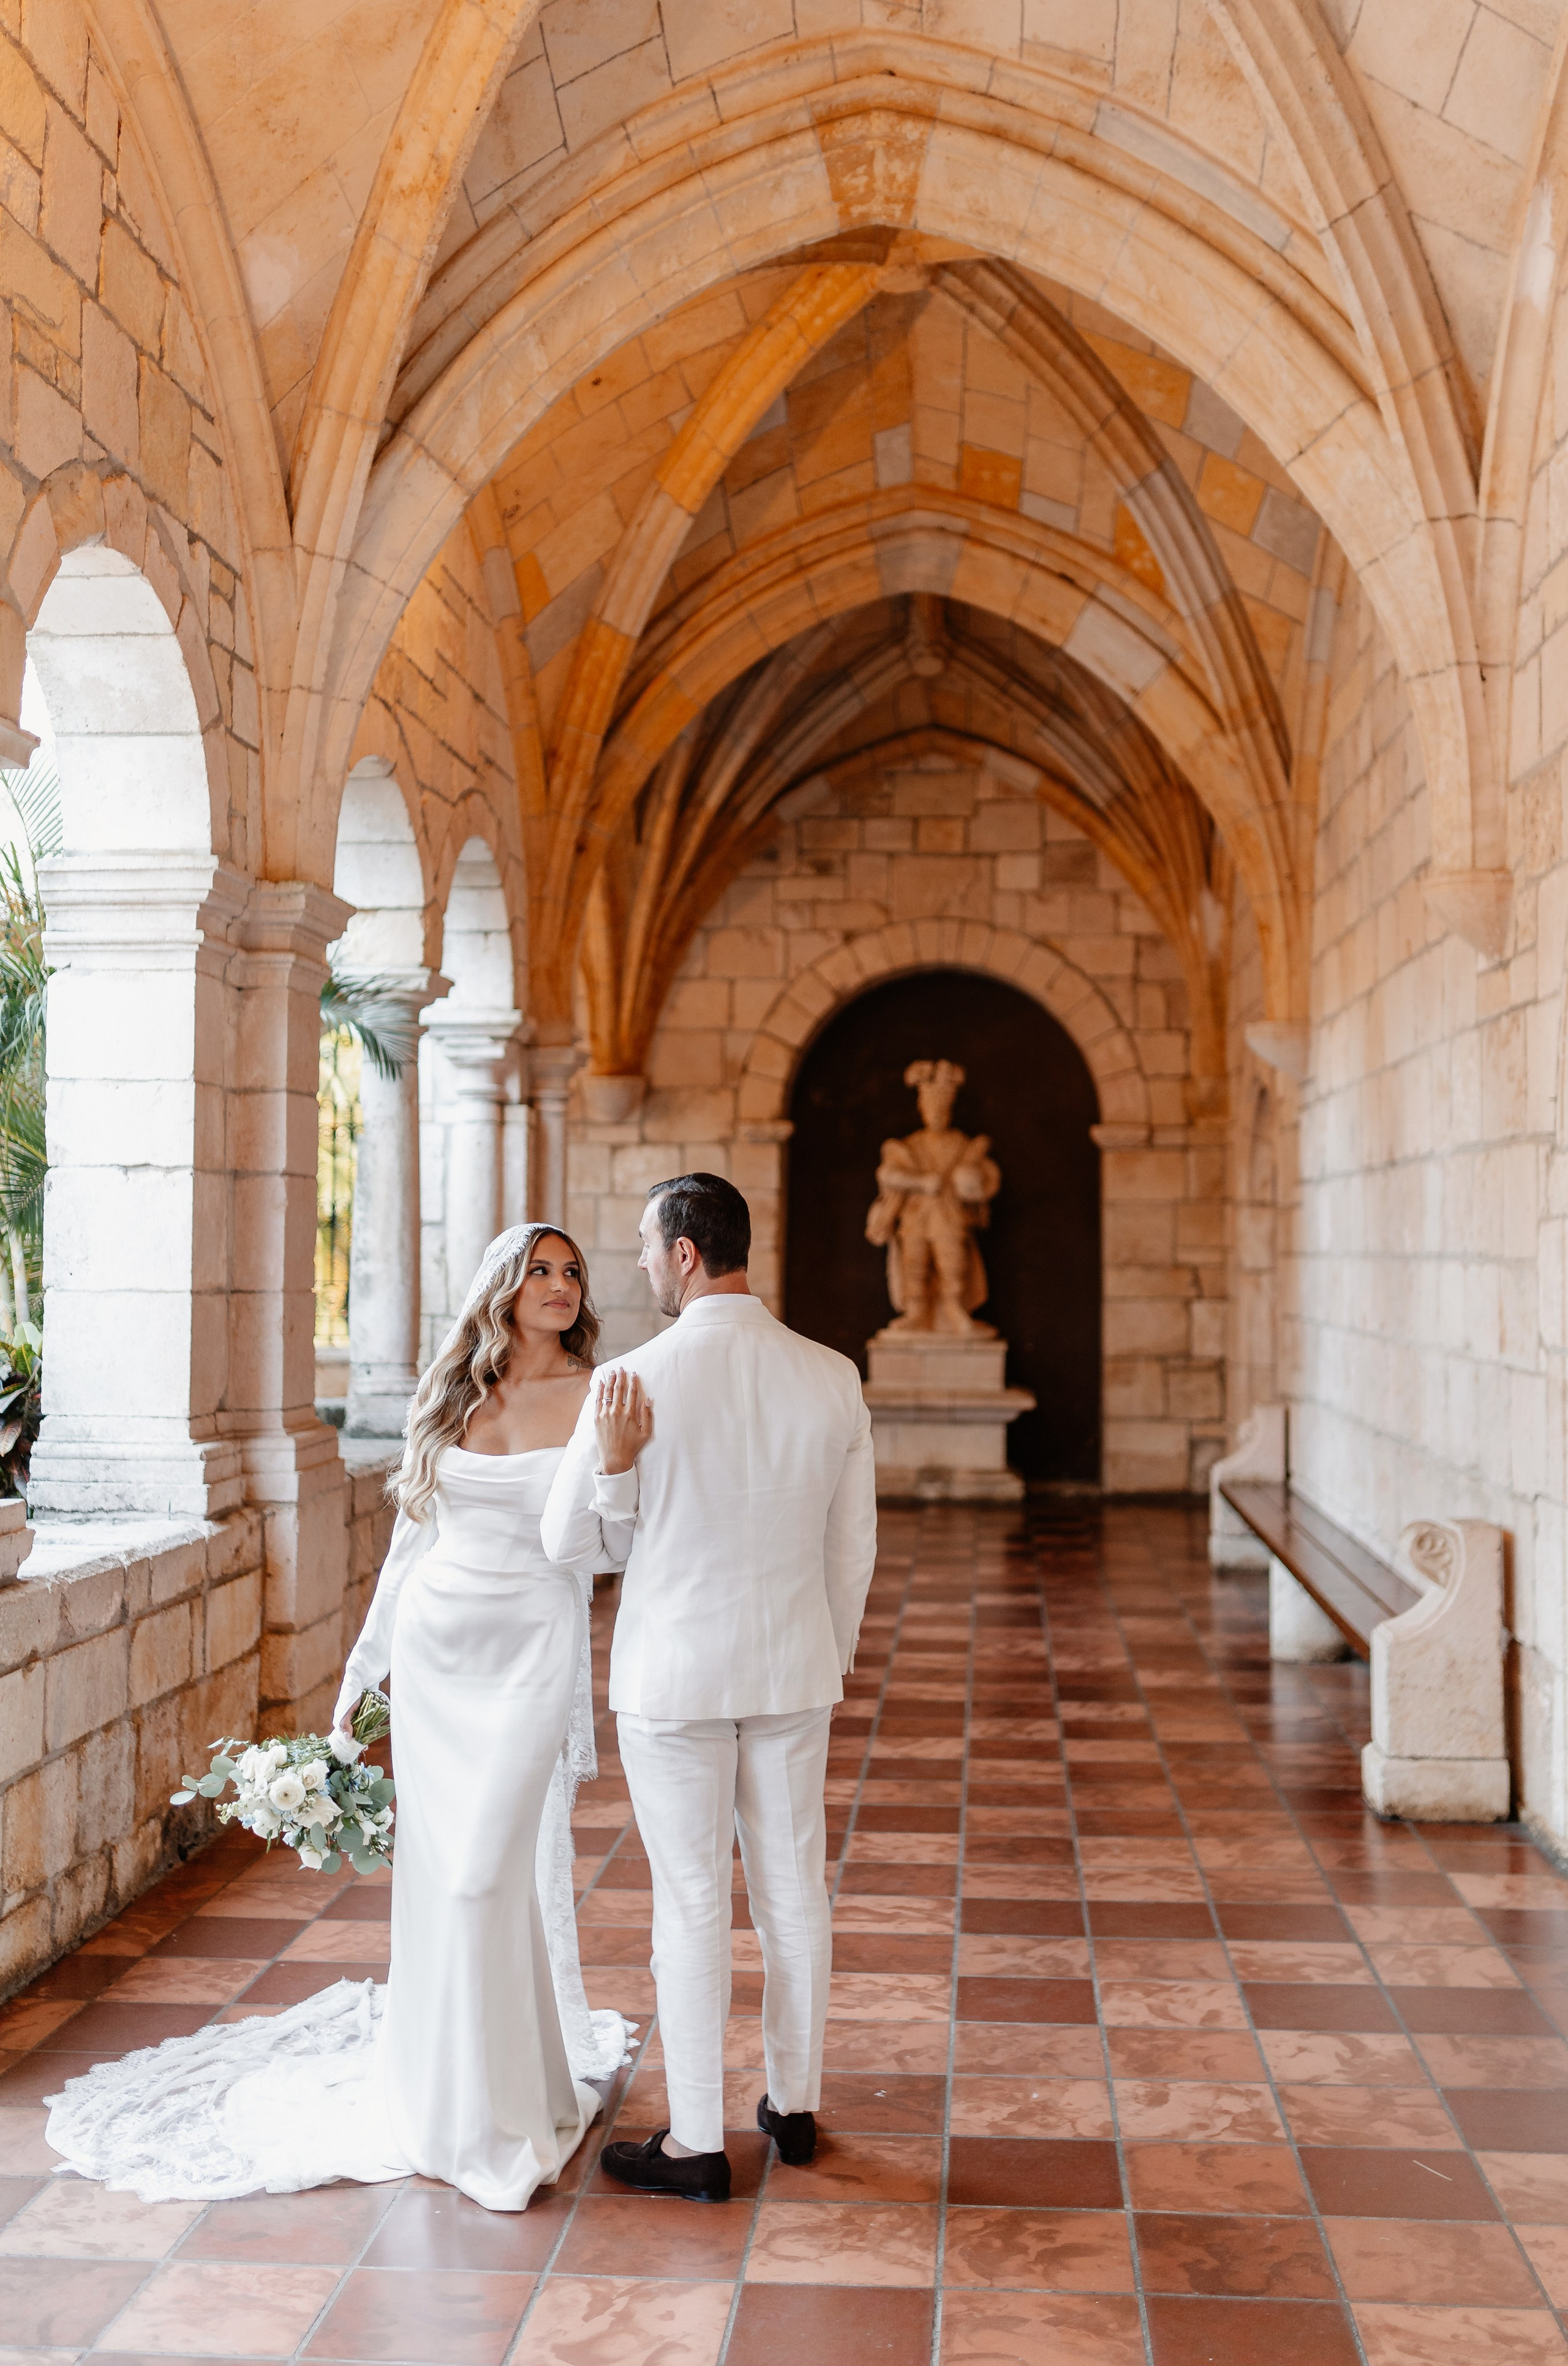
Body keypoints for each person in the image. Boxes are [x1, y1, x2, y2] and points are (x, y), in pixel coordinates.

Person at [46, 1223, 630, 2214]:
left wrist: (615, 1462)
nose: (561, 1285)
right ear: (502, 1284)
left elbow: (610, 1543)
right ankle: (454, 2099)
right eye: (541, 1268)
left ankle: (498, 2113)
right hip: (442, 1656)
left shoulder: (599, 1397)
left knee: (489, 1873)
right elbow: (408, 1554)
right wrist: (361, 1687)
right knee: (444, 1878)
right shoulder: (453, 1394)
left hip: (533, 1646)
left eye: (573, 1271)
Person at [541, 1172, 877, 2202]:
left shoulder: (628, 1382)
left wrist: (615, 1472)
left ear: (686, 1252)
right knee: (792, 1893)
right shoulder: (831, 1374)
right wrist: (829, 1652)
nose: (640, 1260)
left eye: (646, 1243)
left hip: (674, 1677)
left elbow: (568, 1543)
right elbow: (851, 1547)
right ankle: (797, 2104)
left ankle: (695, 2140)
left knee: (690, 1902)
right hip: (792, 1666)